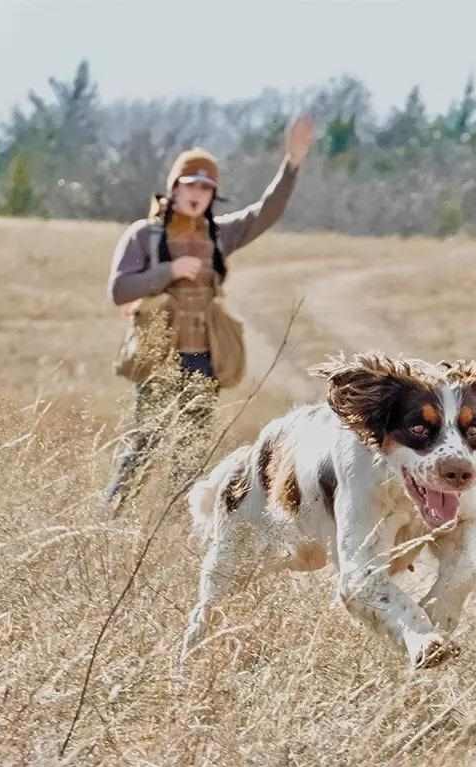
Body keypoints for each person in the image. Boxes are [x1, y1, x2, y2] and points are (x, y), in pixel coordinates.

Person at [103, 116, 314, 516]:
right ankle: (112, 519)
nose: (198, 193)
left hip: (204, 356)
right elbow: (119, 290)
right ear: (174, 187)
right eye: (191, 184)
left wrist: (291, 164)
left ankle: (183, 527)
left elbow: (265, 213)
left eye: (206, 187)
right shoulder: (144, 236)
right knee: (143, 443)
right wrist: (170, 271)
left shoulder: (219, 234)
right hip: (158, 354)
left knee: (193, 449)